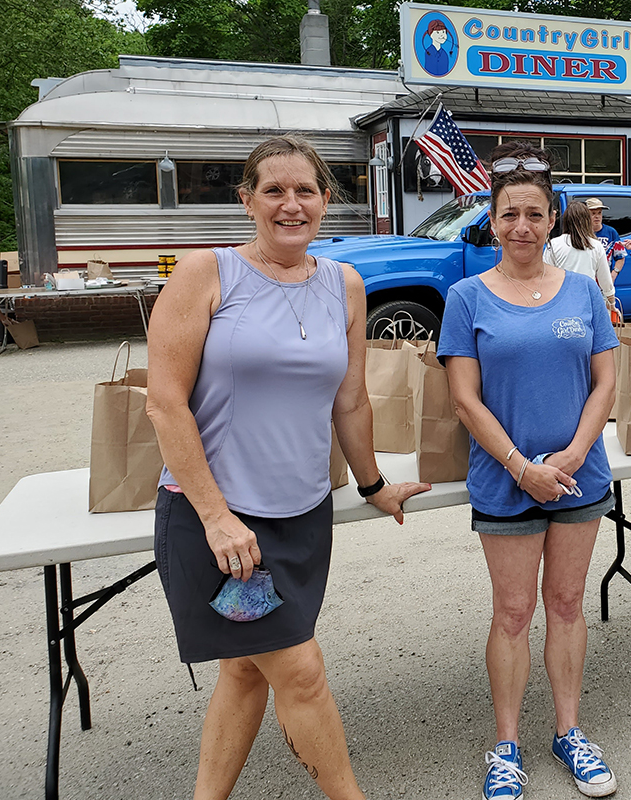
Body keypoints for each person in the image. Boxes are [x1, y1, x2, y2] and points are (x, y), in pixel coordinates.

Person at [145, 135, 430, 800]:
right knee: (300, 672)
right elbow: (165, 406)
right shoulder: (205, 274)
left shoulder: (344, 283)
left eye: (306, 190)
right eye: (273, 190)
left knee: (247, 672)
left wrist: (374, 485)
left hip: (303, 516)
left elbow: (350, 399)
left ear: (327, 202)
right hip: (220, 526)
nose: (290, 204)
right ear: (247, 201)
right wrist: (216, 517)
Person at [439, 142, 620, 800]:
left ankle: (569, 731)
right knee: (513, 613)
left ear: (553, 221)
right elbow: (464, 398)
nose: (521, 225)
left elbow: (605, 381)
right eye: (509, 213)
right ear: (492, 220)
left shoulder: (582, 291)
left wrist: (571, 455)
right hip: (504, 480)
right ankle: (507, 744)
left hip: (579, 476)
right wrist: (521, 467)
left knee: (567, 605)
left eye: (534, 213)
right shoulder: (466, 298)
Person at [548, 200, 616, 308]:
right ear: (587, 220)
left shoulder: (553, 245)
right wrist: (611, 302)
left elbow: (544, 276)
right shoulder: (596, 246)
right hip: (588, 300)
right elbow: (605, 281)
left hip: (561, 301)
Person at [584, 198, 627, 284]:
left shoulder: (611, 232)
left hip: (604, 283)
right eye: (593, 213)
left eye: (599, 213)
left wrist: (613, 274)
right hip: (586, 281)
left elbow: (620, 257)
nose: (597, 216)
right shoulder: (582, 233)